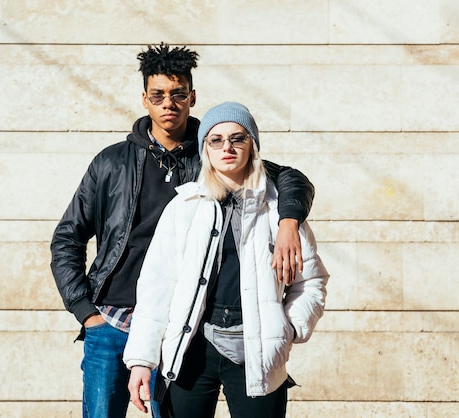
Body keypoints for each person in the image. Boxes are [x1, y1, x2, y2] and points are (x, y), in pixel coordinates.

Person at [50, 43, 315, 418]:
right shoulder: (112, 162)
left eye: (178, 94)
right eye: (158, 95)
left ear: (192, 97)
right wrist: (84, 310)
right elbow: (68, 236)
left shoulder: (212, 150)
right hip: (112, 320)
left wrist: (289, 221)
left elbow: (290, 178)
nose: (168, 103)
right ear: (145, 99)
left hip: (184, 325)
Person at [124, 102, 329, 418]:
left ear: (252, 146)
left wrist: (288, 329)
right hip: (191, 349)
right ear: (205, 148)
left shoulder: (280, 211)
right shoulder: (185, 206)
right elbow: (155, 286)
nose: (227, 147)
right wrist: (141, 359)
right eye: (215, 140)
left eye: (238, 138)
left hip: (257, 350)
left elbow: (311, 281)